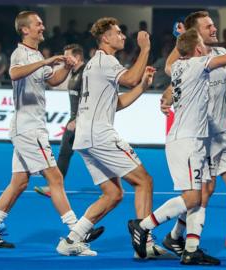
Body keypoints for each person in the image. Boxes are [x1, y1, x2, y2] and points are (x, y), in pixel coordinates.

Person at [129, 28, 226, 265]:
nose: (205, 46)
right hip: (188, 141)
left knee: (201, 194)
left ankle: (191, 248)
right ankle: (143, 225)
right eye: (201, 43)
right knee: (193, 197)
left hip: (194, 140)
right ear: (197, 49)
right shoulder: (198, 63)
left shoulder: (178, 66)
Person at [0, 11, 99, 256]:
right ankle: (76, 232)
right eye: (38, 24)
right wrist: (45, 61)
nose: (43, 27)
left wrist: (65, 65)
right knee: (55, 178)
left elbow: (52, 81)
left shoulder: (35, 55)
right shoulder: (20, 53)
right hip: (29, 128)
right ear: (25, 30)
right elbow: (13, 73)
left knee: (19, 182)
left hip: (27, 127)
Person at [59, 17, 167, 258]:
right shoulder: (106, 61)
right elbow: (129, 78)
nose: (122, 36)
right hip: (100, 134)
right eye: (118, 33)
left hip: (85, 138)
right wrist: (146, 49)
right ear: (105, 38)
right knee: (144, 182)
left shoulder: (94, 64)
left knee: (113, 194)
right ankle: (145, 242)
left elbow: (116, 103)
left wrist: (141, 88)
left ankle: (72, 239)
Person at [160, 11, 226, 257]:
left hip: (223, 134)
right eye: (208, 27)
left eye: (213, 25)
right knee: (203, 194)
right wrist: (167, 94)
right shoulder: (190, 61)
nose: (214, 29)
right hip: (202, 136)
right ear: (195, 34)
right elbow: (171, 70)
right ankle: (177, 237)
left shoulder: (219, 55)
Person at [34, 44, 86, 197]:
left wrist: (77, 119)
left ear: (77, 58)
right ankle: (54, 186)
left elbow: (88, 98)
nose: (64, 60)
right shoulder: (73, 73)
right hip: (76, 119)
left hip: (82, 120)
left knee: (67, 152)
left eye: (67, 56)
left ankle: (55, 187)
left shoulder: (85, 74)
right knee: (68, 152)